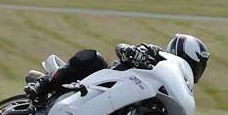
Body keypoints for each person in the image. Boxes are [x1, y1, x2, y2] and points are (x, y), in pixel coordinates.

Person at [24, 34, 209, 105]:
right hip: (104, 82)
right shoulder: (156, 53)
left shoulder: (180, 87)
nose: (197, 70)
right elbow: (122, 47)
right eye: (197, 65)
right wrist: (134, 53)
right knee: (92, 57)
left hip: (125, 101)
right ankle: (42, 85)